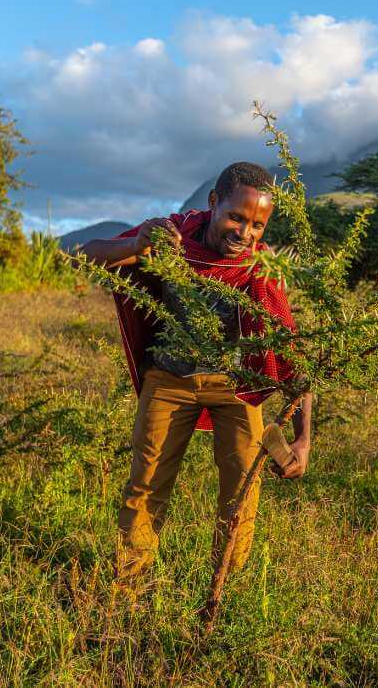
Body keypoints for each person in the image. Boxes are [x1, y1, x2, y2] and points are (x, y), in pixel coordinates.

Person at [80, 161, 312, 590]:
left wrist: (303, 438)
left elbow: (292, 352)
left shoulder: (259, 269)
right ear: (213, 203)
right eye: (236, 217)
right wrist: (136, 242)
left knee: (243, 490)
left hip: (237, 389)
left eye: (258, 225)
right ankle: (129, 587)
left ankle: (224, 589)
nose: (245, 233)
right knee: (146, 485)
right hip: (169, 382)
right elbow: (89, 253)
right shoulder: (170, 239)